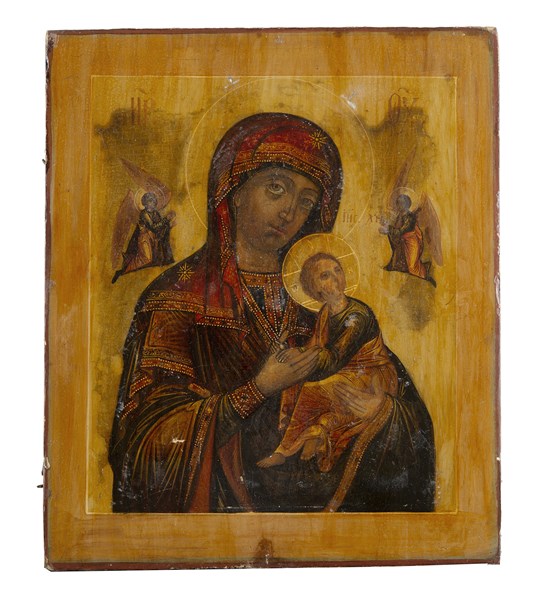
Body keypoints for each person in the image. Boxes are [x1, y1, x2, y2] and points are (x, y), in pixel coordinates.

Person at [109, 112, 435, 513]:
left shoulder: (320, 300)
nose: (289, 212)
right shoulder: (177, 298)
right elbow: (142, 448)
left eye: (306, 201)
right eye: (276, 188)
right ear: (234, 189)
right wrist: (258, 389)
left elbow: (410, 418)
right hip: (222, 523)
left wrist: (380, 412)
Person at [257, 252, 399, 474]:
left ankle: (285, 450)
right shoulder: (325, 312)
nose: (335, 278)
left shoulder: (357, 315)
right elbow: (316, 345)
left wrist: (300, 354)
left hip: (370, 374)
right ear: (314, 288)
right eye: (325, 275)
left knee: (314, 389)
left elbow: (334, 358)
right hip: (345, 371)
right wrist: (291, 354)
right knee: (293, 385)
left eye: (337, 270)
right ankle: (315, 433)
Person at [112, 192, 174, 283]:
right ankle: (122, 271)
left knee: (153, 260)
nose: (152, 204)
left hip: (153, 239)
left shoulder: (156, 213)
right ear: (145, 203)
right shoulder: (144, 214)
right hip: (144, 239)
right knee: (146, 259)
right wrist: (166, 219)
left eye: (153, 202)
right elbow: (153, 227)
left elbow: (160, 226)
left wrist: (169, 224)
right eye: (150, 202)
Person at [380, 193, 435, 286]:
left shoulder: (410, 217)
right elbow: (395, 228)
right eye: (398, 203)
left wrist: (388, 229)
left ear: (407, 204)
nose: (399, 205)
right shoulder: (399, 216)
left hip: (411, 242)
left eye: (402, 203)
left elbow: (402, 231)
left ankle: (425, 273)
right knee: (398, 264)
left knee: (412, 267)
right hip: (402, 241)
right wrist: (386, 224)